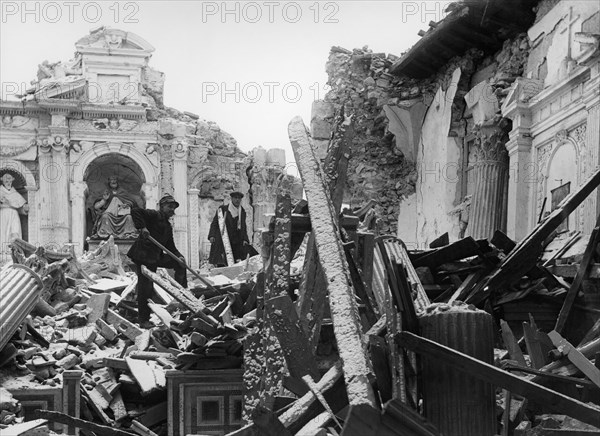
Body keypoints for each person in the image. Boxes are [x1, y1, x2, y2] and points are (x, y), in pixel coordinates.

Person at [127, 194, 187, 328]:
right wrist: (142, 227)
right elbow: (135, 211)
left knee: (180, 264)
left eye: (174, 208)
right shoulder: (153, 215)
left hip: (155, 257)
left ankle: (182, 293)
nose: (172, 210)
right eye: (169, 207)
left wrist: (179, 257)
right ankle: (143, 320)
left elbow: (170, 247)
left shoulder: (167, 226)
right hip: (142, 255)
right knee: (146, 287)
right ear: (162, 206)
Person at [208, 191, 256, 267]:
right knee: (222, 259)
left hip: (236, 240)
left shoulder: (242, 211)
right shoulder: (223, 209)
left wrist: (245, 239)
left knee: (247, 252)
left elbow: (243, 227)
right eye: (235, 198)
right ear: (232, 199)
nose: (237, 200)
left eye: (239, 198)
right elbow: (215, 223)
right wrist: (212, 235)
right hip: (224, 238)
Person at [0, 173, 28, 255]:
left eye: (9, 180)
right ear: (2, 181)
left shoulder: (15, 193)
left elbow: (20, 208)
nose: (8, 182)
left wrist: (25, 209)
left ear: (12, 180)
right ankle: (3, 251)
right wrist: (4, 204)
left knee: (15, 231)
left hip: (14, 214)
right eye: (6, 181)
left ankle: (15, 251)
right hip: (3, 213)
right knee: (3, 231)